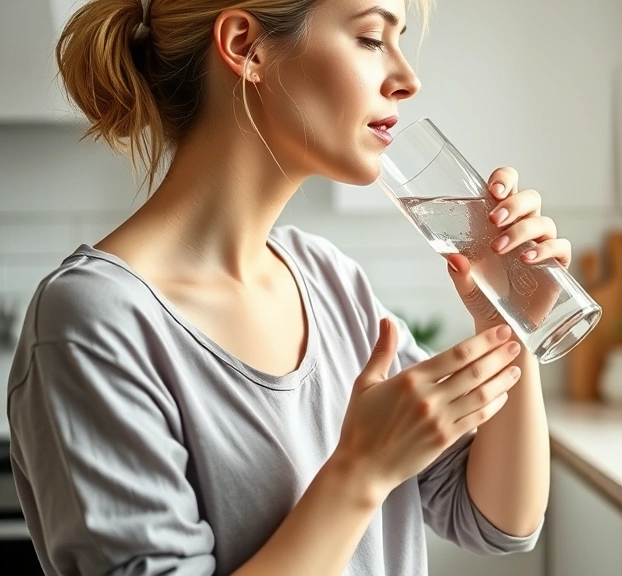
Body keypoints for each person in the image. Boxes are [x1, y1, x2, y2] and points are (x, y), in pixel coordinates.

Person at [6, 0, 571, 574]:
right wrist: (360, 471)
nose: (408, 79)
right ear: (246, 45)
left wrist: (508, 320)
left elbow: (497, 521)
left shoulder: (327, 279)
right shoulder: (91, 322)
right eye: (372, 39)